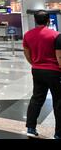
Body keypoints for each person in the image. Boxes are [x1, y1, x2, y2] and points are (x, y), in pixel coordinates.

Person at [23, 11, 61, 139]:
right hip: (54, 72)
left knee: (37, 98)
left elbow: (27, 53)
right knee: (58, 101)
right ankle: (58, 133)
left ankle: (30, 128)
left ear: (35, 20)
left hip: (37, 70)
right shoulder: (56, 35)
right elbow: (59, 56)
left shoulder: (27, 35)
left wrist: (35, 63)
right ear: (48, 20)